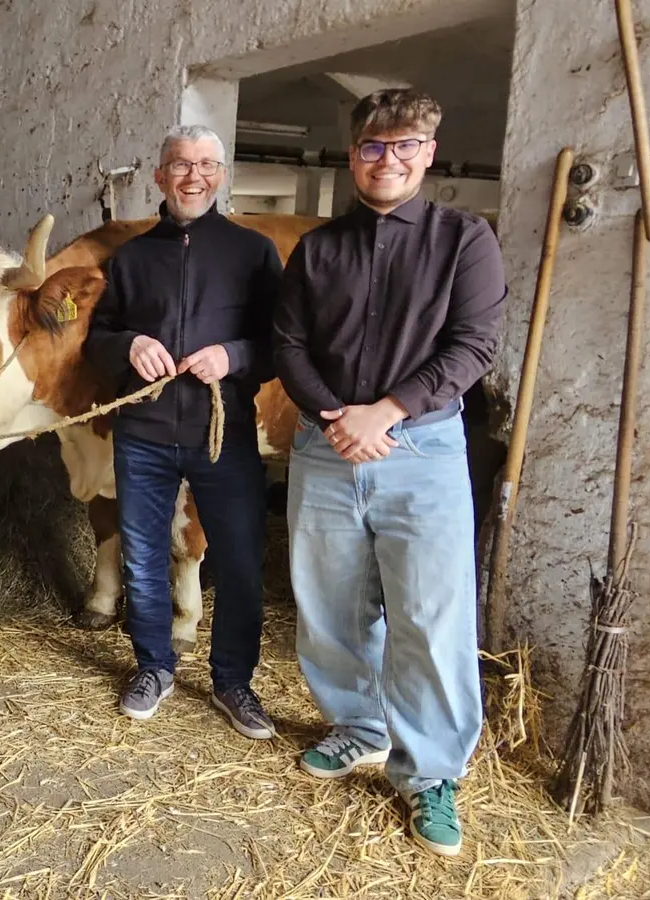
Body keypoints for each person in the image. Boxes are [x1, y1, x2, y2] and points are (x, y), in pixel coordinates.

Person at [273, 88, 506, 857]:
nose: (387, 160)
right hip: (327, 445)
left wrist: (388, 411)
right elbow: (289, 344)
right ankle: (360, 727)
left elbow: (473, 346)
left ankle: (432, 773)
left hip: (424, 451)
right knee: (329, 603)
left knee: (430, 617)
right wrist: (339, 416)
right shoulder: (320, 249)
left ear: (428, 154)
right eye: (374, 146)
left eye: (404, 146)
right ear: (354, 154)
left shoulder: (465, 240)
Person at [83, 125, 282, 734]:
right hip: (142, 431)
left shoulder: (252, 253)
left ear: (220, 176)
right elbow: (96, 340)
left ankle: (232, 682)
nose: (193, 176)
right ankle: (154, 666)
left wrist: (234, 358)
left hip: (223, 433)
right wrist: (129, 344)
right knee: (143, 557)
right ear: (159, 176)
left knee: (242, 559)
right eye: (180, 165)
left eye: (205, 165)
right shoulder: (133, 256)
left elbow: (279, 344)